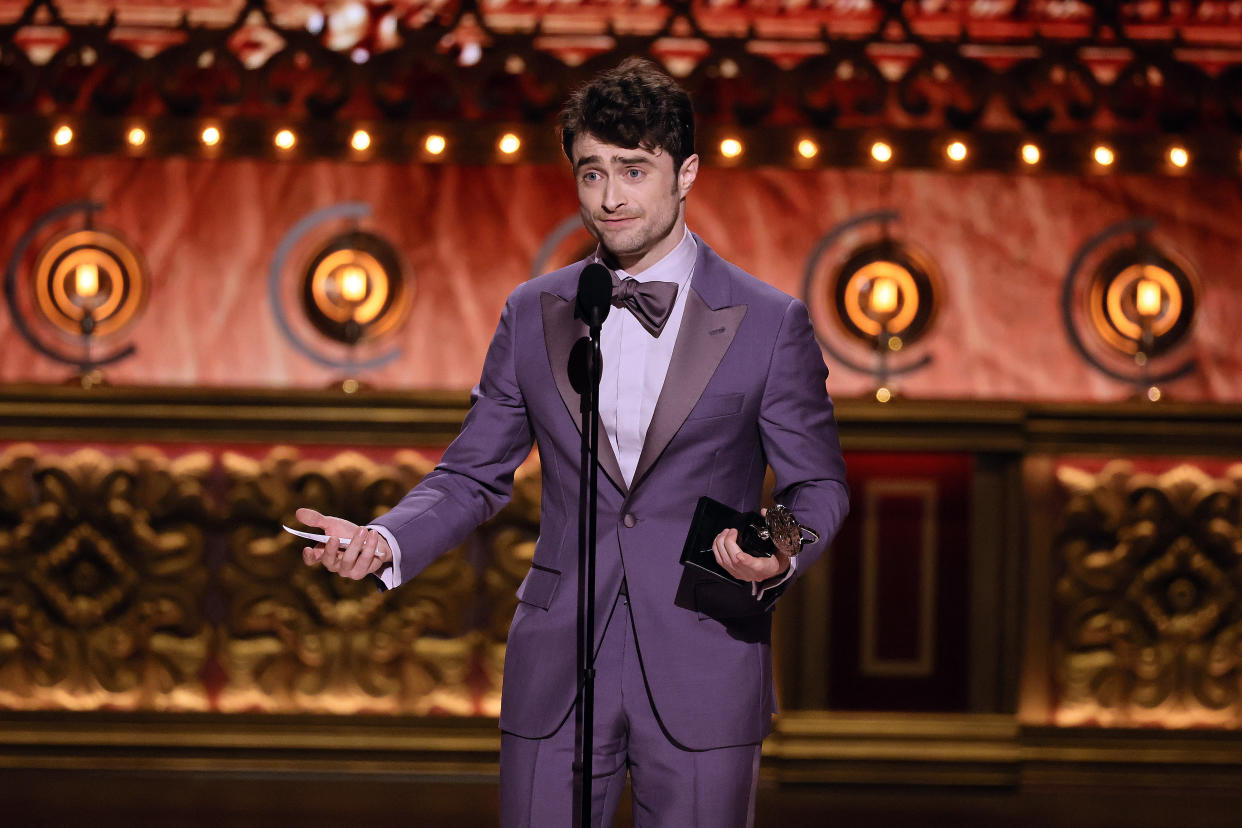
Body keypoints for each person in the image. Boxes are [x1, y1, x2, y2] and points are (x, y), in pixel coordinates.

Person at [297, 56, 849, 828]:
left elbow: (817, 486)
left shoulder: (767, 321)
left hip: (705, 652)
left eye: (633, 170)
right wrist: (386, 538)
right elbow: (472, 474)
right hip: (558, 662)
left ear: (686, 172)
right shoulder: (535, 312)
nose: (611, 198)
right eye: (591, 174)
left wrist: (777, 547)